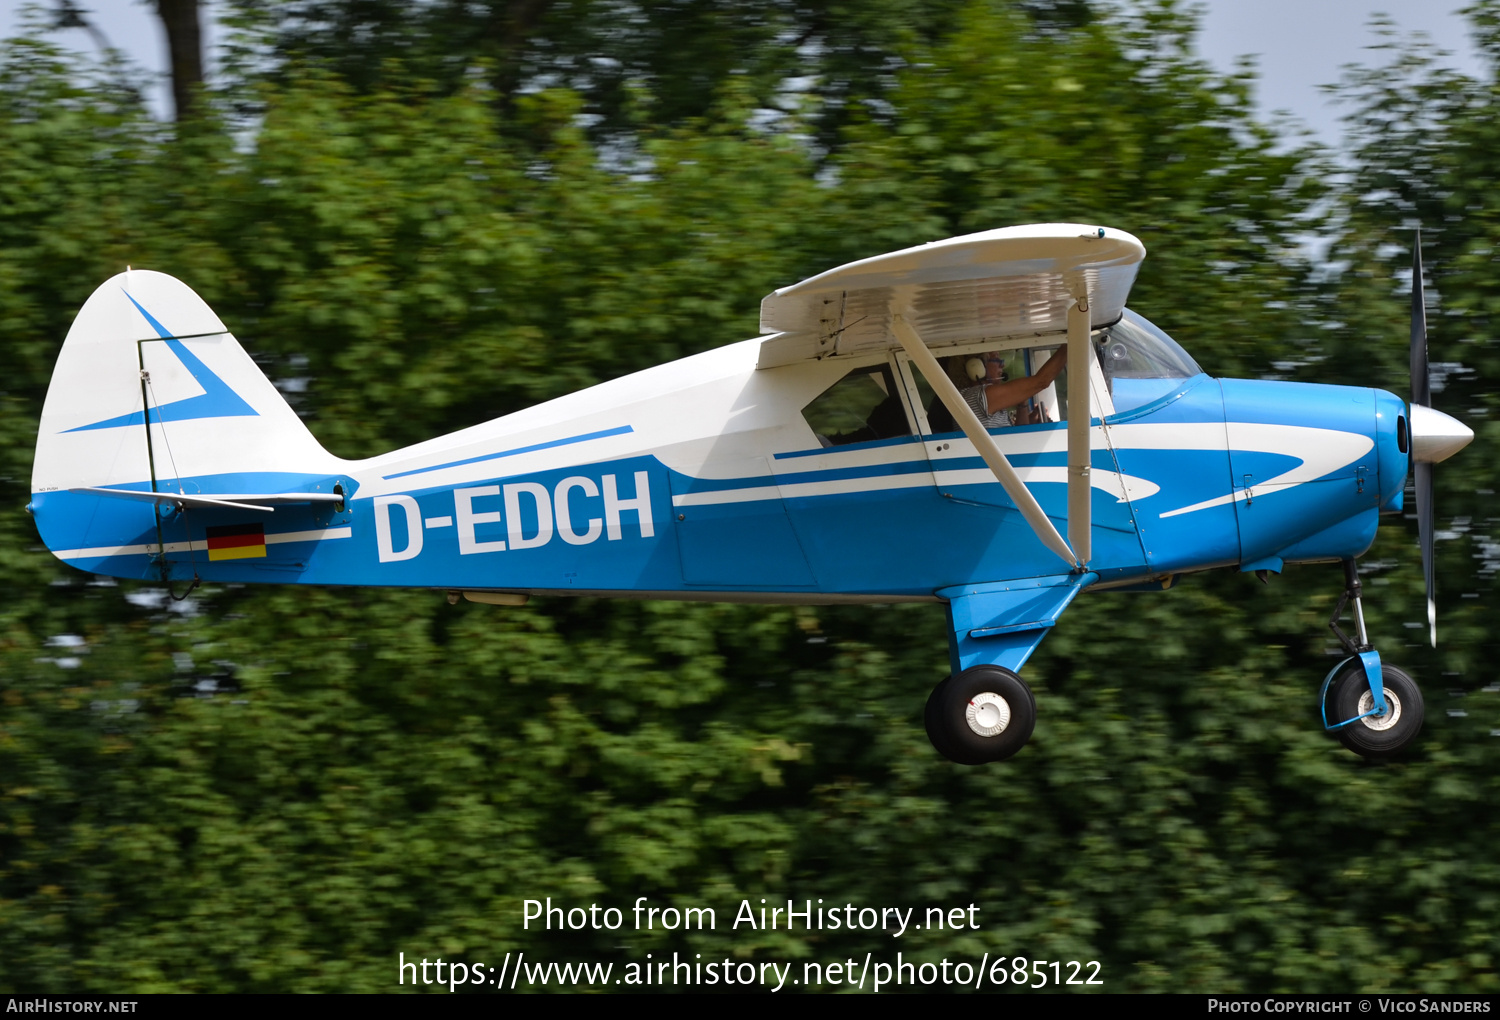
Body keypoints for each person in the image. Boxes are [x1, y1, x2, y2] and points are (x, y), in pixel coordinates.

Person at [957, 346, 1067, 428]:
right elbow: (1042, 381)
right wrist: (1070, 344)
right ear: (976, 367)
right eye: (996, 358)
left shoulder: (976, 397)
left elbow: (1019, 433)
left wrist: (1024, 406)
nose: (1002, 365)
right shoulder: (981, 396)